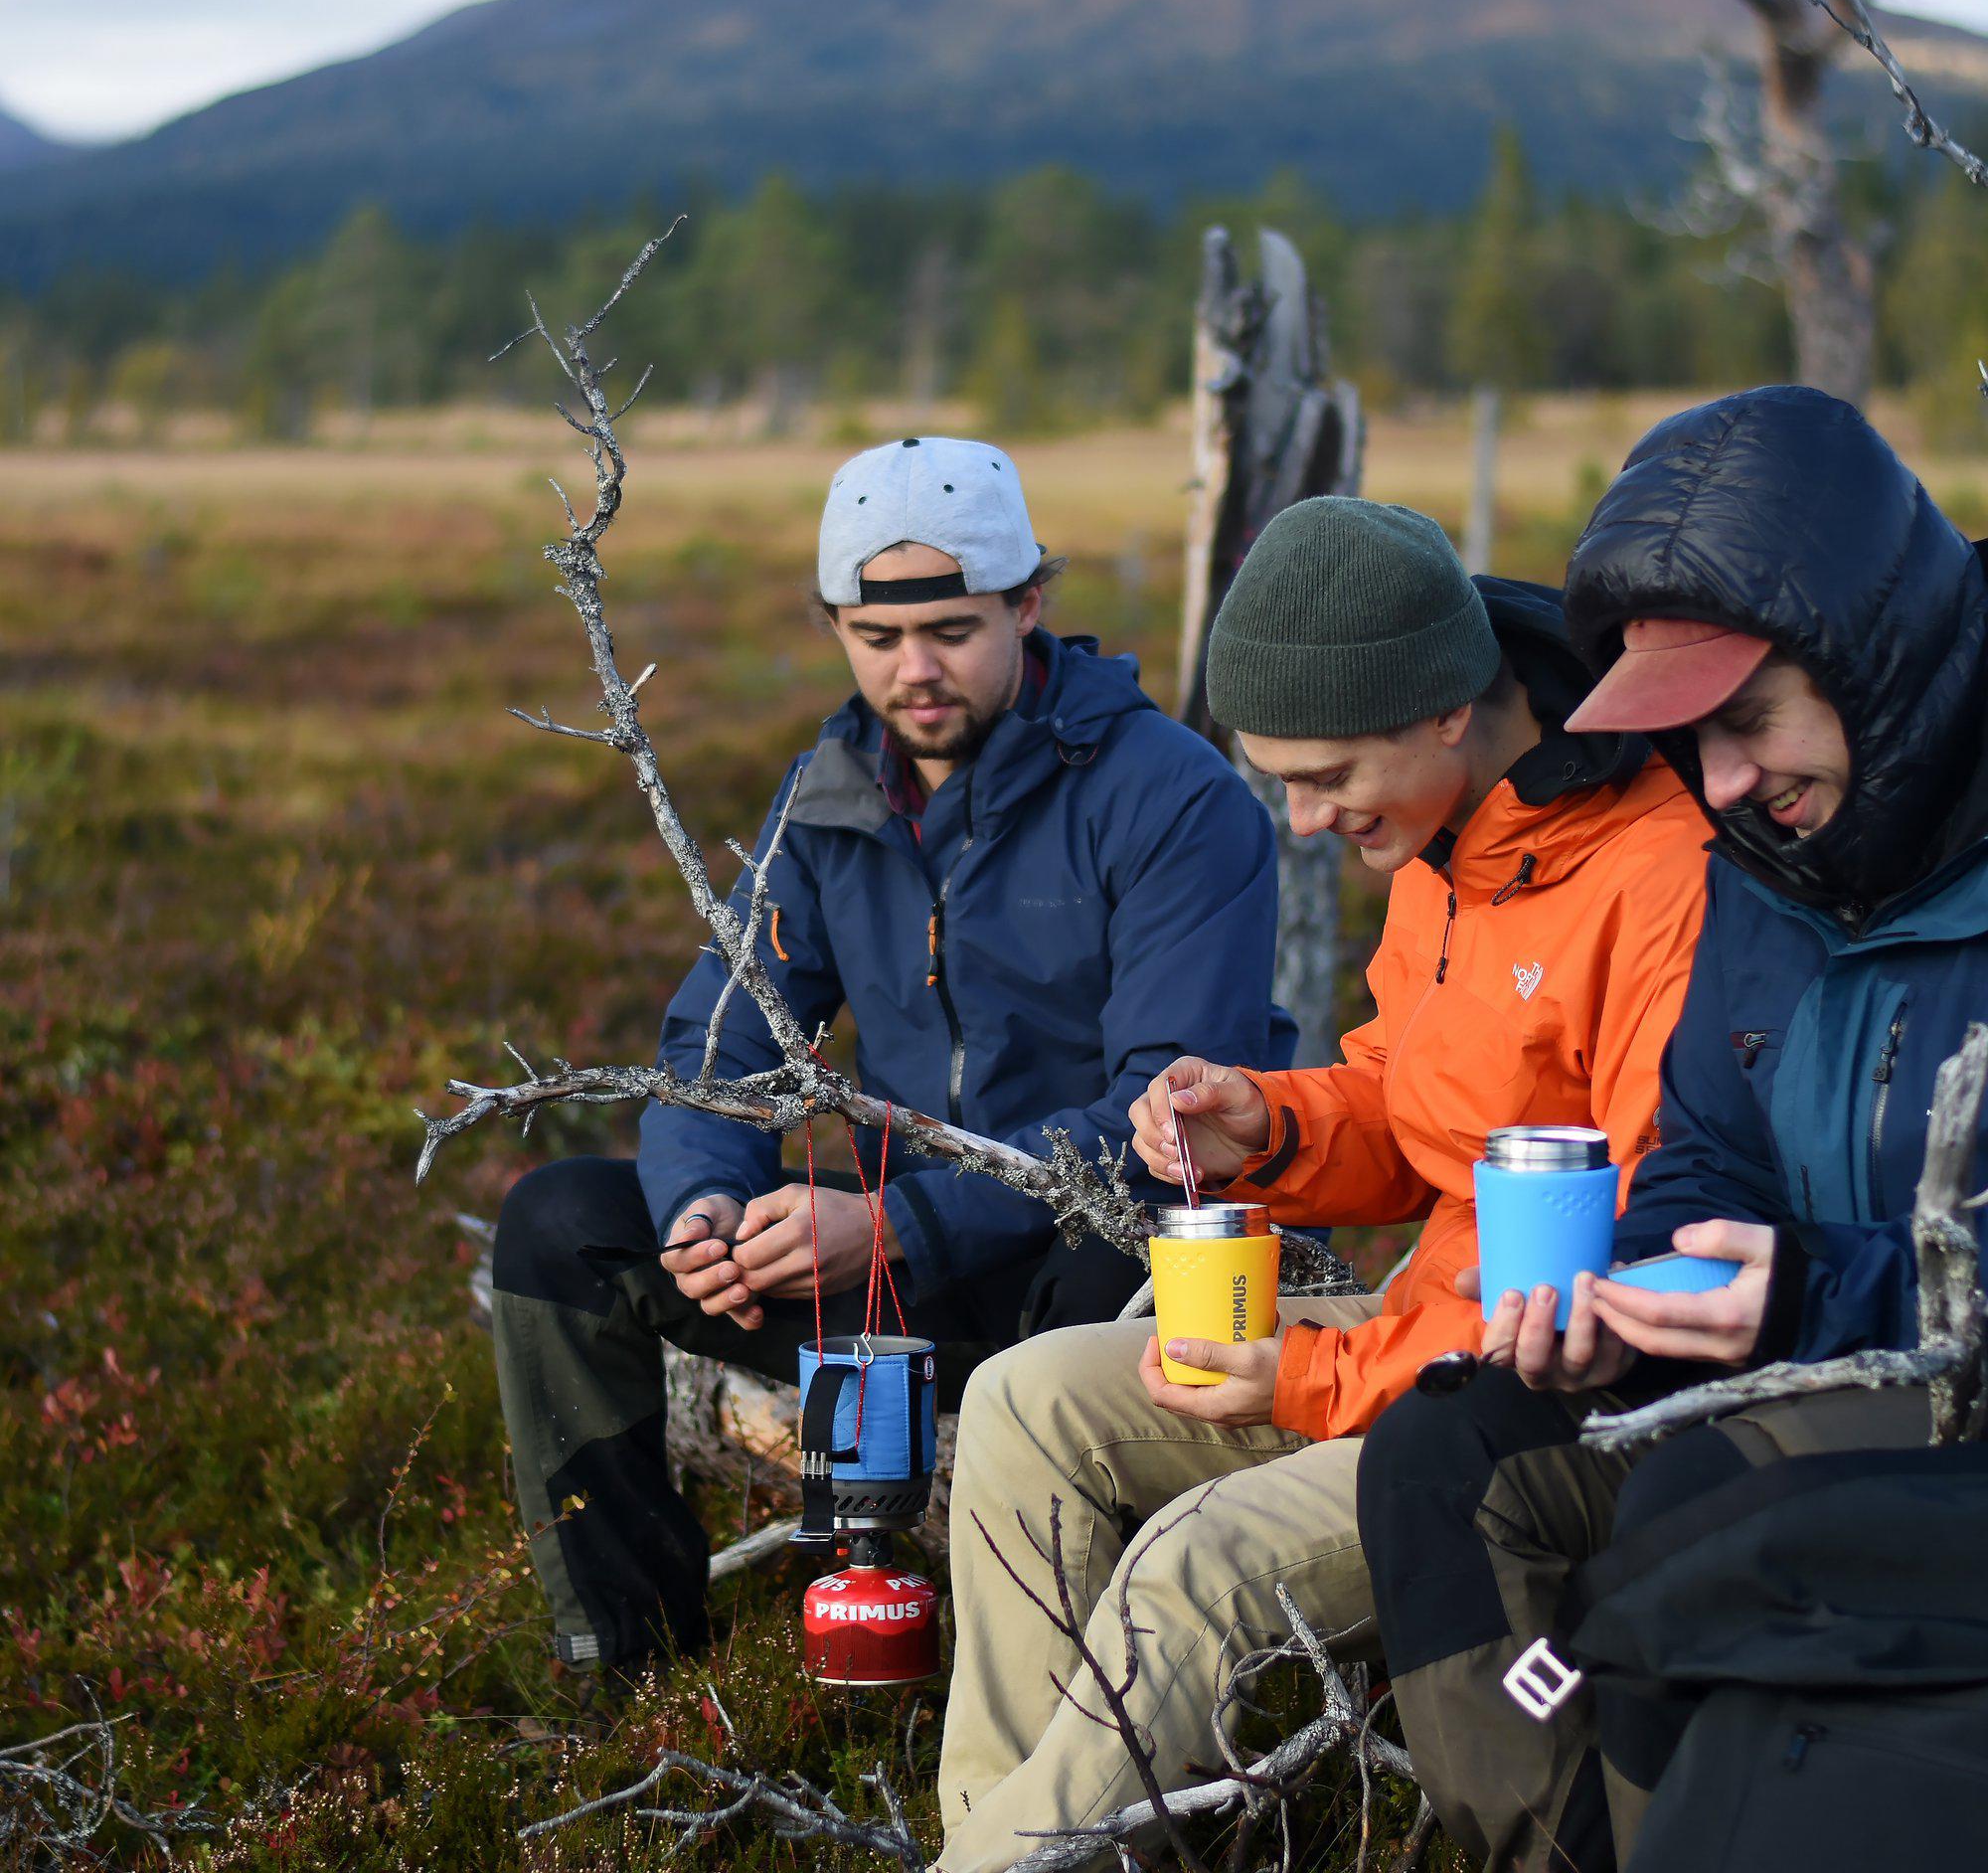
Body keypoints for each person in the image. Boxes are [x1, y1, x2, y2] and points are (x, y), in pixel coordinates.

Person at [936, 495, 1711, 1872]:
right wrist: (1272, 1129)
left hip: (1531, 1415)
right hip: (1418, 1339)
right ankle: (1005, 1838)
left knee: (1200, 1559)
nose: (1301, 821)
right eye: (1278, 779)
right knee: (1023, 1401)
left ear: (1444, 714)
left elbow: (1616, 1273)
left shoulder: (1659, 882)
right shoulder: (1449, 857)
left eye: (1323, 773)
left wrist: (1308, 1377)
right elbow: (1415, 1117)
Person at [489, 435, 1296, 1682]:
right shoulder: (825, 801)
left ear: (1028, 606)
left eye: (952, 629)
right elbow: (720, 1044)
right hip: (887, 1291)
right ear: (834, 628)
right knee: (563, 1225)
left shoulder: (1173, 801)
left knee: (1113, 1256)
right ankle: (625, 1669)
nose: (913, 670)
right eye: (875, 637)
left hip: (1090, 1277)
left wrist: (899, 1221)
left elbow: (1172, 1126)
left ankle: (1093, 1682)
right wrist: (705, 1206)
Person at [1356, 384, 1988, 1873]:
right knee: (1447, 1455)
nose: (1724, 786)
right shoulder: (1764, 868)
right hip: (1795, 1369)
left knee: (1691, 1528)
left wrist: (1823, 1292)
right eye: (1691, 745)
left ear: (1870, 660)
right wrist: (1626, 1296)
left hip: (1941, 1402)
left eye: (1749, 723)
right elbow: (1703, 1151)